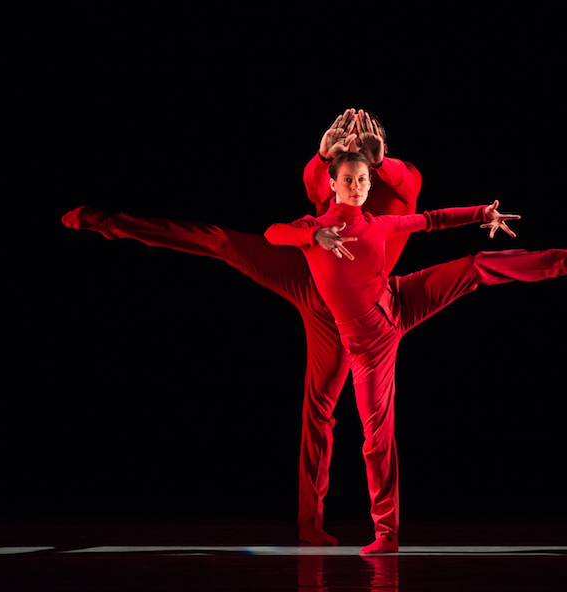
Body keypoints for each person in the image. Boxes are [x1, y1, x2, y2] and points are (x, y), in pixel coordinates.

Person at [61, 108, 422, 547]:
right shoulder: (341, 178)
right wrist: (324, 153)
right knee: (224, 242)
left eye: (369, 145)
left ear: (382, 153)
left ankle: (352, 527)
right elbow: (312, 187)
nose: (358, 152)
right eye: (353, 149)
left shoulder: (400, 185)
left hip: (360, 316)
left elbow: (406, 182)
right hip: (311, 282)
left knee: (333, 413)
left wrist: (381, 160)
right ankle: (114, 224)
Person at [264, 151, 567, 554]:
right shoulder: (312, 226)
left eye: (362, 180)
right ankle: (387, 535)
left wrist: (481, 213)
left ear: (370, 186)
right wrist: (312, 236)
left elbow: (433, 220)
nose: (356, 186)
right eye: (348, 180)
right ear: (333, 184)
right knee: (377, 437)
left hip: (401, 299)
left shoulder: (380, 223)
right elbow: (272, 233)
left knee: (475, 267)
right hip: (369, 347)